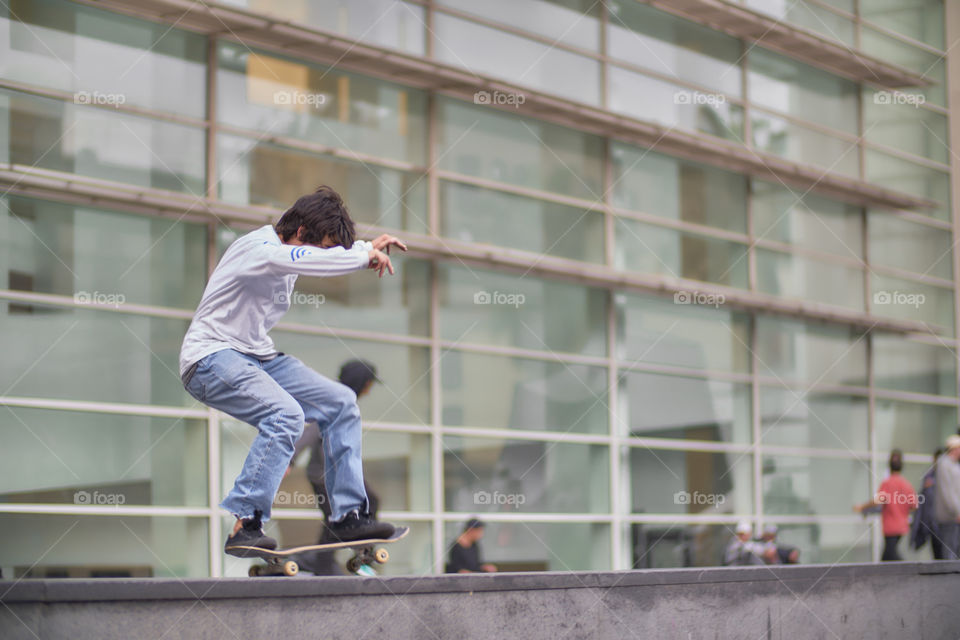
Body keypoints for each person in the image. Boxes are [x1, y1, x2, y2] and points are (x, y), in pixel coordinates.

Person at [179, 186, 406, 556]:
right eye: (326, 247)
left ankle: (347, 516)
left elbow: (319, 257)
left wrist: (361, 246)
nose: (328, 257)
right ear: (301, 233)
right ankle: (246, 523)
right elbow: (311, 261)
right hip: (209, 359)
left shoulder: (292, 248)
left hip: (257, 357)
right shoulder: (259, 250)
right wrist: (363, 253)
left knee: (341, 402)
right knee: (286, 414)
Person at [289, 359, 382, 574]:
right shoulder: (336, 400)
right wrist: (290, 459)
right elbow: (311, 431)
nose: (370, 390)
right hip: (324, 475)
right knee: (336, 518)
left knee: (370, 501)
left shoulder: (346, 400)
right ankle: (325, 562)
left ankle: (358, 555)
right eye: (370, 384)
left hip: (341, 474)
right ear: (363, 382)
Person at [854, 449, 917, 561]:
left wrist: (862, 507)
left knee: (890, 555)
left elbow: (878, 500)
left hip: (890, 527)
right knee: (887, 556)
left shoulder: (887, 483)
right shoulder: (907, 484)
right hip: (902, 526)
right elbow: (913, 505)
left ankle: (908, 569)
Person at [911, 448, 944, 560]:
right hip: (933, 525)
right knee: (938, 557)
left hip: (947, 524)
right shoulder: (929, 478)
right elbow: (924, 501)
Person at [934, 435, 960, 560]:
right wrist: (957, 511)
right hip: (949, 517)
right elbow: (947, 492)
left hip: (955, 516)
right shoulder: (944, 464)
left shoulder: (954, 465)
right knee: (949, 550)